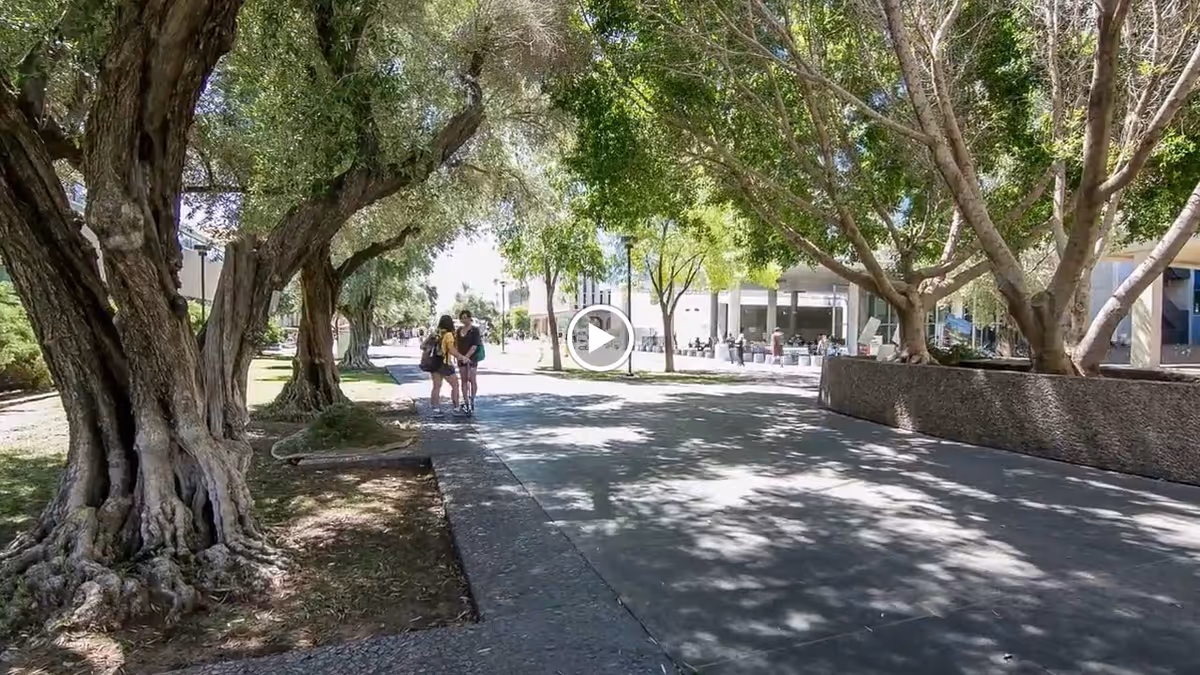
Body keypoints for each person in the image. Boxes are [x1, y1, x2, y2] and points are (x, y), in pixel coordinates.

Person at [428, 315, 467, 418]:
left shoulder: (436, 333)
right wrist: (461, 357)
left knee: (436, 386)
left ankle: (435, 409)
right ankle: (456, 408)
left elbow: (423, 346)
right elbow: (451, 349)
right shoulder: (449, 335)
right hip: (445, 363)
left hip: (434, 362)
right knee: (455, 385)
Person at [456, 310, 484, 414]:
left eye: (465, 317)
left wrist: (467, 356)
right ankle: (466, 401)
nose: (464, 319)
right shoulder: (458, 330)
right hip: (461, 358)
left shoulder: (474, 330)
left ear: (469, 318)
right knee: (463, 380)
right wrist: (459, 356)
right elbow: (457, 344)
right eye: (462, 317)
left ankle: (472, 398)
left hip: (472, 358)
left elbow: (475, 345)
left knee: (472, 379)